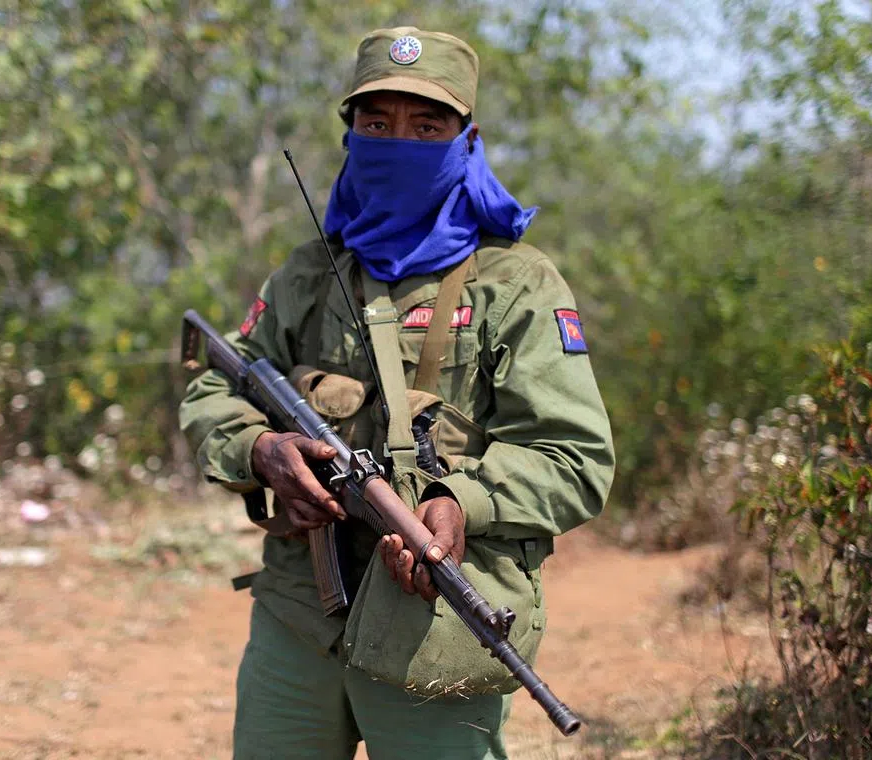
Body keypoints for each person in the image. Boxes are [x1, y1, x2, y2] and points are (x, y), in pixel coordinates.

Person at [180, 26, 614, 760]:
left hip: (435, 624)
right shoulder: (309, 276)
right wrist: (261, 449)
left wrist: (461, 502)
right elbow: (217, 388)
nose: (398, 142)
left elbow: (575, 460)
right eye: (377, 124)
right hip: (298, 617)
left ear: (465, 139)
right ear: (350, 134)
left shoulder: (516, 286)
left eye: (426, 126)